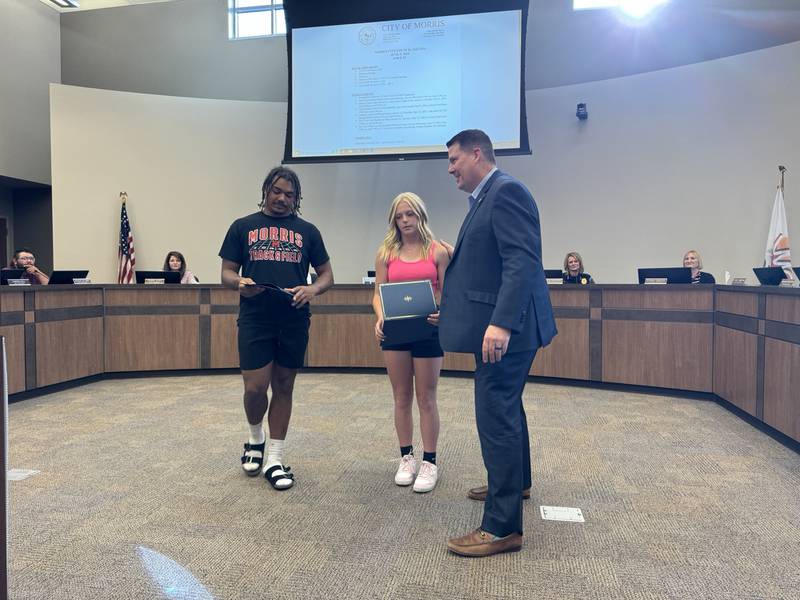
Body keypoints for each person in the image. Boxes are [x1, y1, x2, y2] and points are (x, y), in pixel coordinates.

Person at [438, 129, 557, 557]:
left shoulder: (506, 192)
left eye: (454, 159)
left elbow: (522, 260)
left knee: (495, 414)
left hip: (511, 330)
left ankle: (502, 527)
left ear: (476, 154)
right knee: (508, 407)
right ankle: (517, 482)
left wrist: (502, 323)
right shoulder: (488, 197)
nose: (450, 167)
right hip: (508, 327)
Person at [219, 166, 333, 491]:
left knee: (284, 386)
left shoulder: (308, 231)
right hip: (255, 317)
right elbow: (226, 272)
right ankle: (255, 439)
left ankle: (274, 458)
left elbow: (327, 275)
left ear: (297, 199)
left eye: (290, 194)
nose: (283, 199)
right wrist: (239, 282)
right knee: (255, 388)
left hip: (294, 319)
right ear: (266, 190)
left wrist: (312, 289)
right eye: (277, 191)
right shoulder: (242, 227)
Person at [372, 192, 450, 493]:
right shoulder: (385, 253)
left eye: (410, 214)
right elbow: (378, 293)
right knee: (401, 396)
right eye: (399, 216)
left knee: (426, 397)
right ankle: (407, 457)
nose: (405, 220)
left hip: (429, 330)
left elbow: (448, 289)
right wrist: (379, 318)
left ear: (420, 216)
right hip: (395, 331)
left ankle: (430, 462)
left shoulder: (437, 251)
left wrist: (443, 312)